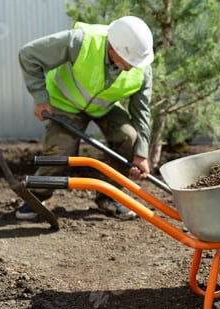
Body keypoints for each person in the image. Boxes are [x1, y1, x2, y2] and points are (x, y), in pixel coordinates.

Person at [16, 16, 154, 220]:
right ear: (113, 48)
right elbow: (29, 54)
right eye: (130, 62)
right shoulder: (81, 41)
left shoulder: (141, 68)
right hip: (65, 103)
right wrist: (40, 98)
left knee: (130, 138)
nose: (133, 67)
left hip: (104, 107)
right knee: (61, 150)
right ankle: (36, 196)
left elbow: (142, 112)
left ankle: (109, 196)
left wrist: (141, 154)